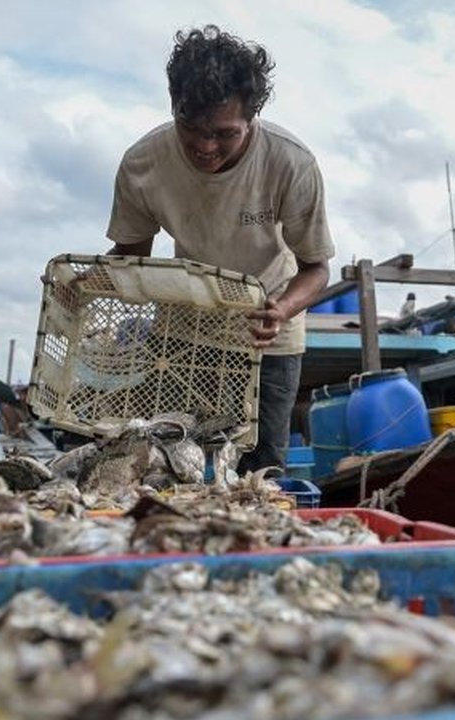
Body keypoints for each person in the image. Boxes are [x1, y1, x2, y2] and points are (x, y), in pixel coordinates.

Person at [106, 25, 335, 474]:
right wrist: (83, 283)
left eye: (224, 133)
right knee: (167, 463)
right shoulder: (142, 164)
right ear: (173, 105)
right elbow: (130, 254)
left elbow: (316, 269)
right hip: (181, 334)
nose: (205, 147)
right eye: (191, 128)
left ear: (251, 118)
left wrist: (283, 308)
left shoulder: (291, 163)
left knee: (260, 468)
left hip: (266, 333)